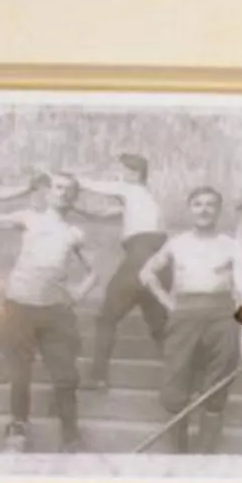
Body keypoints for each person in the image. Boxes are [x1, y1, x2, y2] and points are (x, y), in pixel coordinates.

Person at [0, 172, 94, 451]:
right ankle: (18, 426)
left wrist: (77, 295)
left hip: (55, 311)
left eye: (70, 189)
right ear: (48, 192)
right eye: (58, 187)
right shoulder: (28, 218)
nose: (63, 193)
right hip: (20, 305)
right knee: (20, 370)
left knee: (65, 375)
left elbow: (94, 272)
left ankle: (71, 435)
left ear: (75, 197)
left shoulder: (74, 233)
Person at [140, 186, 242, 453]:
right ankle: (179, 455)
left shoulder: (231, 245)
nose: (204, 209)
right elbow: (146, 273)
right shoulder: (178, 243)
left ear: (218, 211)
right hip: (185, 314)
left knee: (218, 384)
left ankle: (205, 454)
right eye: (198, 204)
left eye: (210, 205)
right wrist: (169, 303)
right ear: (190, 209)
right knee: (175, 381)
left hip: (222, 314)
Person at [67, 153, 169, 383]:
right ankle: (184, 378)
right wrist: (72, 206)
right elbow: (100, 214)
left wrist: (69, 177)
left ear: (135, 174)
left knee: (106, 318)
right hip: (161, 259)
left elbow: (94, 186)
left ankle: (98, 377)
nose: (118, 177)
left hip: (140, 255)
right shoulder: (145, 200)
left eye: (122, 172)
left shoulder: (131, 190)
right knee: (158, 325)